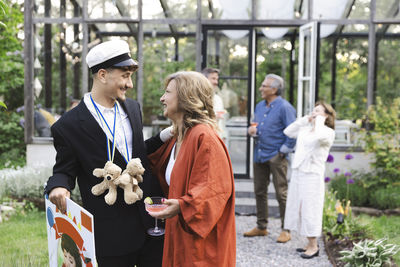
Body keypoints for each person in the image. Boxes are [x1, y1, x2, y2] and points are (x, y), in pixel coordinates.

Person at [45, 39, 172, 267]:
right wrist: (57, 186)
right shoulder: (67, 126)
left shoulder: (133, 108)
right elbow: (64, 169)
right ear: (102, 75)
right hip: (111, 233)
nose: (130, 84)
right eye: (125, 75)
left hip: (150, 223)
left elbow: (135, 153)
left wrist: (168, 134)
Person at [147, 71, 236, 267]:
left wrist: (182, 205)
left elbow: (214, 189)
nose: (162, 98)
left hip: (200, 245)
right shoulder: (181, 136)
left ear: (186, 97)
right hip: (179, 233)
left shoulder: (204, 137)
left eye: (168, 92)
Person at [244, 73, 296, 243]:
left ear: (274, 89)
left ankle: (286, 229)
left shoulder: (285, 107)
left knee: (281, 193)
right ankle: (261, 227)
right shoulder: (259, 106)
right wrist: (253, 131)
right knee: (259, 191)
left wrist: (282, 152)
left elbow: (293, 133)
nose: (260, 88)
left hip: (276, 156)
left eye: (264, 86)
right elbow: (256, 125)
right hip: (259, 154)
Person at [283, 101, 336, 259]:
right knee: (298, 208)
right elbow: (288, 131)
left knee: (310, 209)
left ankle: (313, 246)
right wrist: (305, 120)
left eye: (318, 111)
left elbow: (320, 137)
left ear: (326, 115)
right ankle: (309, 242)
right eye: (313, 110)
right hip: (299, 172)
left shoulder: (327, 132)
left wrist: (319, 122)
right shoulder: (305, 130)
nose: (314, 113)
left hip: (312, 174)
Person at [201, 68, 227, 139]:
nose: (216, 82)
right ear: (204, 80)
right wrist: (213, 118)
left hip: (218, 140)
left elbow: (222, 125)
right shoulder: (197, 99)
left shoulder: (218, 99)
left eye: (217, 79)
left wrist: (223, 137)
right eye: (213, 78)